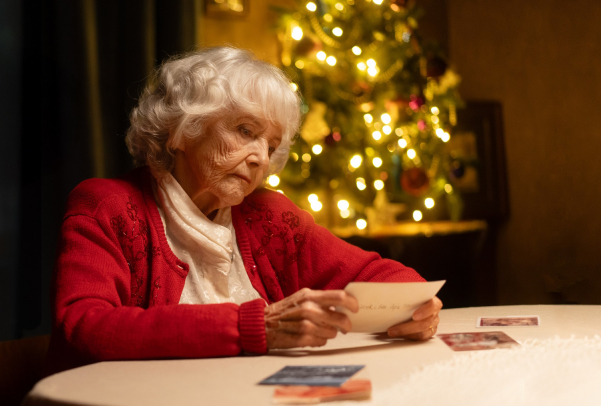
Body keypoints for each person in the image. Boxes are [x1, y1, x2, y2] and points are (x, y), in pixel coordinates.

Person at [44, 47, 442, 374]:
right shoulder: (107, 205)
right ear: (183, 129)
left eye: (270, 145)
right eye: (246, 132)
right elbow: (84, 327)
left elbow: (381, 275)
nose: (260, 160)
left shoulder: (268, 216)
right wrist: (254, 327)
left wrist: (415, 306)